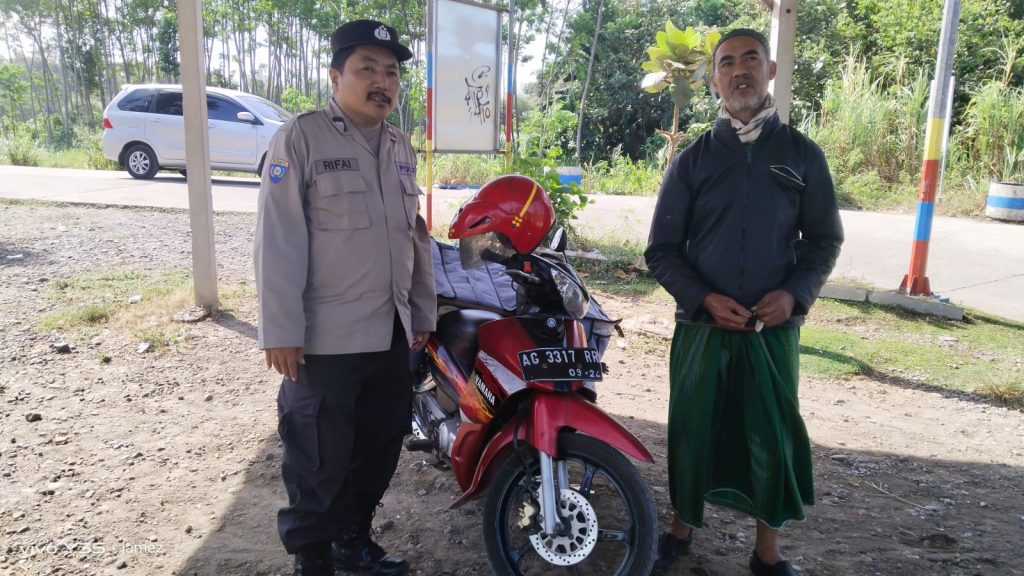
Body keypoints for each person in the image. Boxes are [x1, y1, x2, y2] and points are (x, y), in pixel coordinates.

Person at [644, 28, 844, 576]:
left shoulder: (801, 154)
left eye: (750, 59)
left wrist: (795, 294)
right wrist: (704, 298)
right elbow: (661, 250)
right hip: (702, 328)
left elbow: (824, 240)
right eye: (726, 62)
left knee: (770, 434)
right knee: (692, 429)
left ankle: (766, 553)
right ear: (714, 80)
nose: (739, 71)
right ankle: (680, 529)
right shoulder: (693, 160)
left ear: (770, 70)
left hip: (770, 329)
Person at [254, 19, 436, 576]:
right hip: (324, 337)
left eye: (392, 72)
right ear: (335, 78)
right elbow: (278, 238)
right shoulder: (301, 138)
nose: (382, 82)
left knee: (379, 444)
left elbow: (414, 236)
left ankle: (352, 541)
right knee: (317, 455)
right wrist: (281, 329)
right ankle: (312, 559)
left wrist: (423, 312)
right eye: (367, 69)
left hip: (390, 331)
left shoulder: (400, 145)